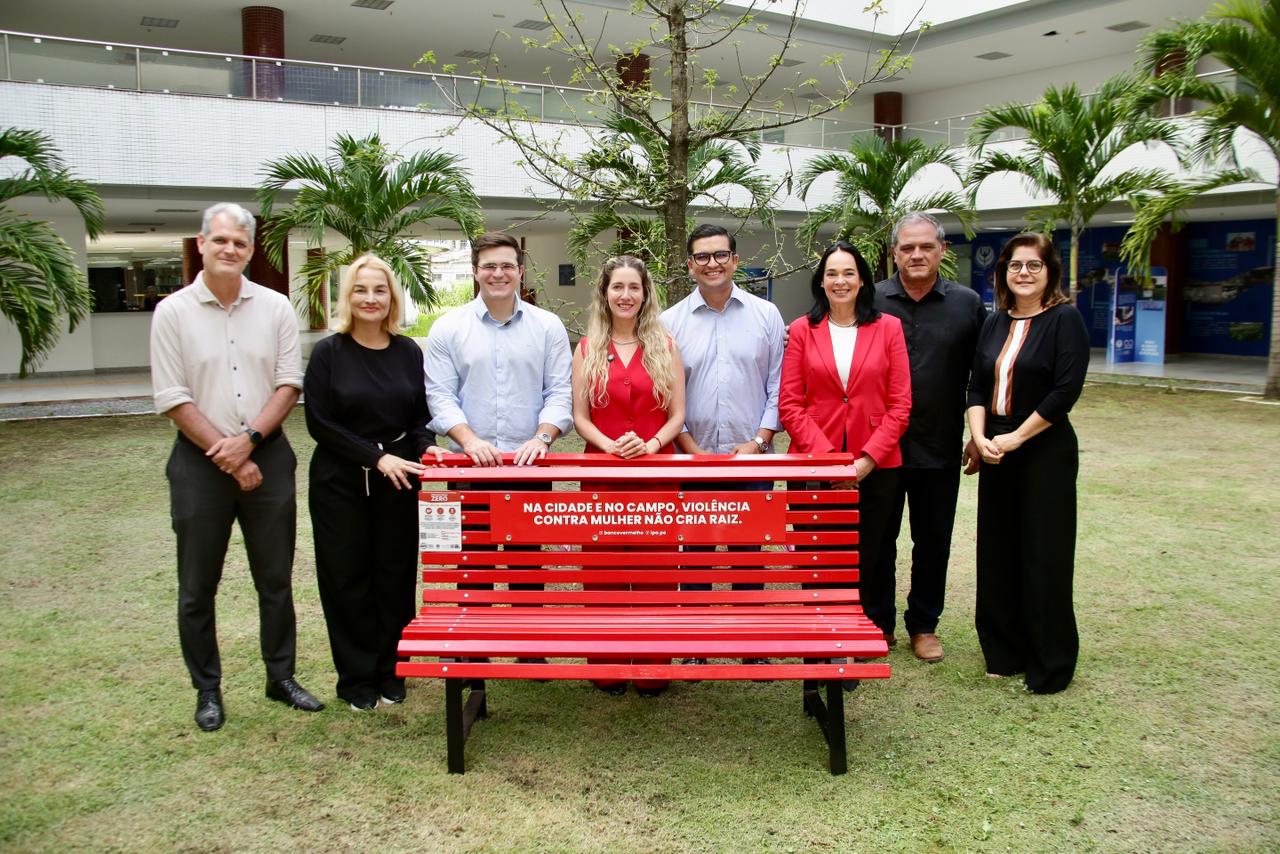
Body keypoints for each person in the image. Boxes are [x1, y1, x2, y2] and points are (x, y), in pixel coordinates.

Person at [150, 202, 323, 732]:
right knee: (196, 587)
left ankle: (281, 677)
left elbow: (289, 383)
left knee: (274, 580)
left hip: (266, 454)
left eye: (240, 243)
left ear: (250, 250)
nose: (230, 250)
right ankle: (208, 690)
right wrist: (227, 454)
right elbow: (173, 396)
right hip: (200, 463)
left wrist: (248, 442)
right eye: (220, 240)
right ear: (201, 243)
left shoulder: (274, 308)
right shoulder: (172, 312)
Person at [304, 255, 445, 712]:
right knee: (347, 578)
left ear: (391, 298)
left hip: (401, 481)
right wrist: (375, 457)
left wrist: (426, 447)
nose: (370, 298)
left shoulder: (408, 352)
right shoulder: (329, 352)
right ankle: (356, 677)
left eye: (379, 290)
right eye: (361, 290)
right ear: (348, 297)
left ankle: (391, 668)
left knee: (394, 574)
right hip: (341, 481)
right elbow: (319, 422)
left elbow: (420, 417)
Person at [424, 231, 572, 633]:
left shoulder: (547, 326)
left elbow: (559, 391)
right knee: (474, 562)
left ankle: (530, 648)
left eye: (507, 265)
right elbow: (439, 395)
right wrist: (469, 440)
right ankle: (474, 649)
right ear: (475, 272)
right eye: (489, 266)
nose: (498, 273)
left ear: (520, 271)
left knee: (527, 563)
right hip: (470, 469)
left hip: (529, 467)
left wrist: (542, 437)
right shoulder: (448, 328)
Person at [966, 232, 1089, 695]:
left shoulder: (1064, 320)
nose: (1023, 273)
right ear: (1003, 272)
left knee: (1044, 554)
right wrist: (980, 438)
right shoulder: (994, 322)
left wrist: (1014, 437)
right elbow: (977, 386)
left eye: (1033, 266)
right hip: (995, 447)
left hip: (1043, 448)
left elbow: (1064, 392)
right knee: (997, 552)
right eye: (1015, 265)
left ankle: (1050, 661)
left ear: (1049, 271)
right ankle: (1004, 651)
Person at [661, 223, 785, 668]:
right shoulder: (669, 322)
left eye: (720, 255)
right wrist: (690, 449)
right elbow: (665, 394)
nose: (711, 263)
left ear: (734, 259)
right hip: (691, 461)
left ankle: (751, 645)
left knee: (748, 552)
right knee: (693, 552)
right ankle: (694, 645)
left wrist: (759, 440)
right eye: (702, 256)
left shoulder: (766, 315)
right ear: (690, 265)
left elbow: (778, 386)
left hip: (750, 458)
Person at [779, 240, 911, 646]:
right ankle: (821, 625)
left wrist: (866, 460)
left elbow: (901, 403)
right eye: (832, 273)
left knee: (874, 548)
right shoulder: (802, 329)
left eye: (848, 273)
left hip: (877, 462)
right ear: (821, 281)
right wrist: (832, 461)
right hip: (815, 465)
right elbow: (790, 403)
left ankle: (874, 626)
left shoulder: (888, 327)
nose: (840, 281)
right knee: (818, 553)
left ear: (863, 280)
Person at [872, 212, 987, 663]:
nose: (916, 255)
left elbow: (984, 373)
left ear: (941, 249)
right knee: (878, 539)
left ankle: (923, 625)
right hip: (879, 447)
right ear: (895, 253)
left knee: (933, 539)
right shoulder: (872, 299)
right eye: (906, 248)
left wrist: (979, 435)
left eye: (925, 247)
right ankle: (878, 623)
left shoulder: (967, 304)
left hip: (938, 445)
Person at [571, 255, 686, 697]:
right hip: (602, 472)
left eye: (633, 287)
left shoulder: (666, 345)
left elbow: (678, 415)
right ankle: (608, 666)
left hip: (656, 474)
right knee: (604, 572)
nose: (625, 295)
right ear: (604, 293)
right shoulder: (587, 348)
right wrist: (609, 445)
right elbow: (580, 417)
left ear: (645, 293)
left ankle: (654, 666)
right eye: (617, 287)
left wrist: (652, 444)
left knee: (657, 570)